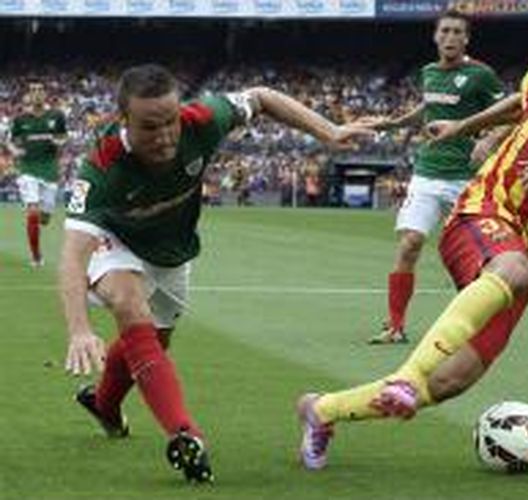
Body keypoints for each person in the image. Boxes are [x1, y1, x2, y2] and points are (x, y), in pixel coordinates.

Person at [296, 43, 528, 470]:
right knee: (512, 267)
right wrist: (464, 129)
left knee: (450, 380)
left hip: (525, 262)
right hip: (479, 216)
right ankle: (405, 376)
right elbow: (520, 103)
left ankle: (321, 410)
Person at [59, 64, 372, 483]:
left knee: (156, 341)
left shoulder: (202, 120)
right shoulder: (102, 167)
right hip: (116, 243)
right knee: (130, 306)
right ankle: (186, 437)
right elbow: (72, 257)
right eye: (150, 127)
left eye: (170, 121)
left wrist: (328, 130)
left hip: (173, 250)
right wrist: (79, 329)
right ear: (124, 121)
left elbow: (262, 95)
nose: (166, 135)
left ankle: (105, 404)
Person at [353, 9, 508, 344]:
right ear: (435, 36)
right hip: (427, 171)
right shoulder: (429, 72)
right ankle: (395, 326)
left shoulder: (481, 75)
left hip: (465, 178)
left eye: (457, 32)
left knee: (466, 255)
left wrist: (489, 139)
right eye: (445, 31)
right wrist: (392, 124)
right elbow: (428, 109)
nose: (450, 37)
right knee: (409, 244)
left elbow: (514, 113)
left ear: (466, 39)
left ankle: (475, 324)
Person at [10, 81, 67, 266]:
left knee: (45, 218)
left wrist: (59, 143)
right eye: (33, 90)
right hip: (28, 169)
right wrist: (15, 151)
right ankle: (36, 257)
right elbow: (11, 141)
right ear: (28, 95)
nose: (37, 93)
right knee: (33, 213)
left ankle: (41, 216)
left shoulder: (56, 116)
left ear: (45, 94)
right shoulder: (21, 119)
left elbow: (63, 136)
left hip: (49, 170)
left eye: (40, 89)